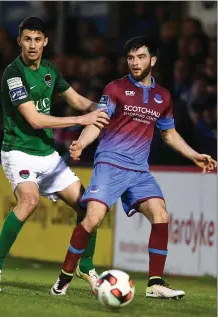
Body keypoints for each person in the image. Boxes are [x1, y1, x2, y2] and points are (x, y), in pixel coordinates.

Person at [51, 36, 217, 299]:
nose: (135, 62)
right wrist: (81, 143)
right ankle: (65, 276)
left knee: (160, 214)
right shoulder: (115, 89)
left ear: (152, 60)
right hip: (110, 163)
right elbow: (98, 121)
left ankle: (155, 283)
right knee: (92, 218)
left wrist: (194, 155)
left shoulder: (163, 96)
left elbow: (169, 134)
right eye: (130, 57)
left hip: (139, 171)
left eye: (140, 57)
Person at [0, 16, 110, 292]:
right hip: (19, 151)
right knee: (29, 201)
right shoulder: (14, 73)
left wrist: (104, 108)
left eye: (37, 39)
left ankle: (87, 267)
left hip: (47, 155)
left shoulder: (50, 69)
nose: (32, 45)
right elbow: (35, 120)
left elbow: (78, 101)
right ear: (19, 41)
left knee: (88, 207)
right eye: (27, 39)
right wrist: (81, 120)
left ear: (45, 42)